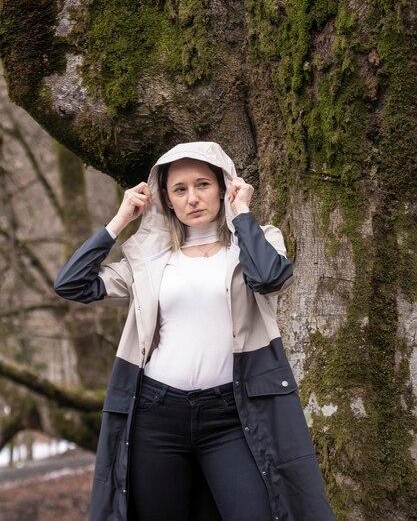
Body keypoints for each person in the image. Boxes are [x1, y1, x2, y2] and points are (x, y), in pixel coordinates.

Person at [55, 142, 336, 521]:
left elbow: (269, 278)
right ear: (166, 200)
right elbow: (72, 284)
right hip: (156, 415)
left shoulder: (257, 242)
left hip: (231, 415)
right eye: (180, 190)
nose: (193, 198)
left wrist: (242, 213)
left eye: (203, 184)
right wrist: (120, 220)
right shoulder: (149, 260)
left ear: (223, 186)